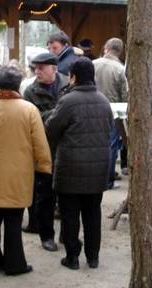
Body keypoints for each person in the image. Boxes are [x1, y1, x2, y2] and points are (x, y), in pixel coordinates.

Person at [0, 66, 52, 276]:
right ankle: (15, 263)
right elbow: (40, 143)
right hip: (19, 173)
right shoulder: (29, 110)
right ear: (18, 85)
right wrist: (44, 168)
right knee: (14, 221)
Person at [46, 57, 112, 270]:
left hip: (70, 167)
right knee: (93, 214)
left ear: (73, 77)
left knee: (70, 214)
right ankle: (93, 257)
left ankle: (72, 257)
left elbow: (51, 129)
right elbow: (110, 129)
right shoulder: (104, 101)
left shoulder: (68, 101)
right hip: (98, 168)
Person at [23, 52, 69, 250]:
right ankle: (46, 236)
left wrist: (55, 115)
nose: (37, 72)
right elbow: (32, 119)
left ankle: (67, 235)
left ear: (54, 69)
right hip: (43, 149)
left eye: (42, 68)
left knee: (68, 196)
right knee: (45, 196)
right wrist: (59, 112)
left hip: (67, 148)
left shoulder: (68, 86)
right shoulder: (30, 91)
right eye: (36, 68)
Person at [93, 38, 128, 189]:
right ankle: (108, 180)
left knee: (93, 143)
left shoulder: (93, 64)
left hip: (92, 109)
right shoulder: (121, 69)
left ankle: (94, 177)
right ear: (120, 51)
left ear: (106, 47)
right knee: (111, 146)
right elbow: (125, 94)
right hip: (113, 111)